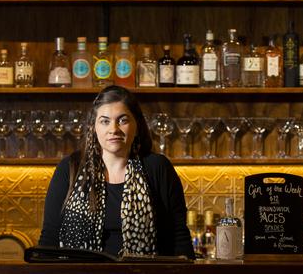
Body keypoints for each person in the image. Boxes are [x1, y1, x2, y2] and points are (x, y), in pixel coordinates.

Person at [38, 85, 194, 259]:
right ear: (93, 127)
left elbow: (179, 237)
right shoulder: (69, 168)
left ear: (137, 125)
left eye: (123, 120)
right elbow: (49, 238)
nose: (114, 129)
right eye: (105, 121)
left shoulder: (158, 168)